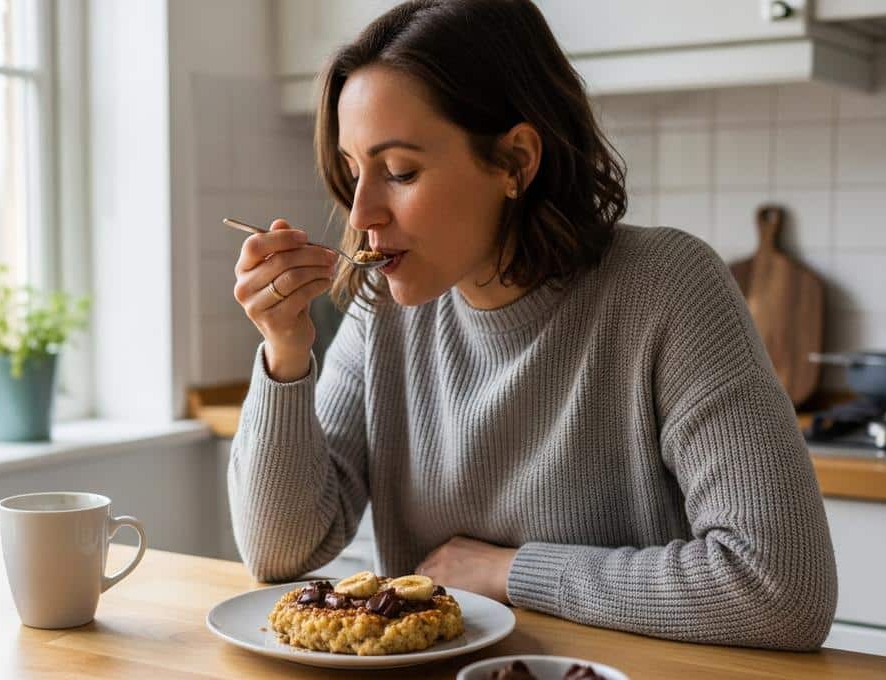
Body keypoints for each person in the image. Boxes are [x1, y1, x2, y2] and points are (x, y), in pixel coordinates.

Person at [227, 0, 837, 651]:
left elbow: (782, 591)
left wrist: (509, 571)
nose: (362, 213)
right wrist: (285, 352)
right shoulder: (385, 310)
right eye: (354, 174)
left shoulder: (666, 285)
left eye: (400, 171)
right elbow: (279, 554)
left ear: (515, 161)